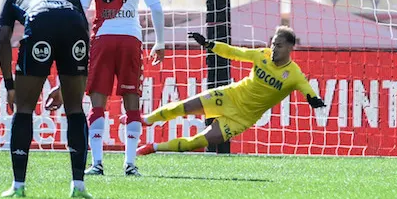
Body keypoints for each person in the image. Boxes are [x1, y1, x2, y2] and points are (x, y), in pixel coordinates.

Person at [138, 27, 325, 156]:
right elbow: (234, 52)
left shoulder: (293, 74)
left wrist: (314, 100)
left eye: (279, 45)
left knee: (196, 142)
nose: (273, 49)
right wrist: (209, 44)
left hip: (241, 119)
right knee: (183, 107)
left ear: (291, 48)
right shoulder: (262, 55)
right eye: (273, 44)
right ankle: (146, 120)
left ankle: (153, 147)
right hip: (229, 96)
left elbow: (308, 91)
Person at [78, 0, 164, 177]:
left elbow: (80, 9)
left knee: (97, 103)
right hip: (131, 38)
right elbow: (156, 7)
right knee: (132, 101)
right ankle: (130, 164)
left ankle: (96, 164)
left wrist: (81, 41)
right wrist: (160, 42)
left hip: (102, 37)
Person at [0, 0, 92, 199]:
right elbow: (85, 32)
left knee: (25, 109)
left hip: (40, 24)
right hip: (74, 28)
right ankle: (78, 186)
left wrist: (10, 85)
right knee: (75, 109)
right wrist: (65, 85)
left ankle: (18, 185)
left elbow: (3, 38)